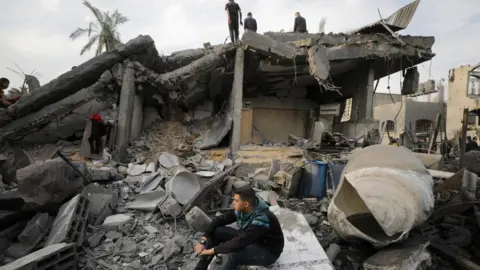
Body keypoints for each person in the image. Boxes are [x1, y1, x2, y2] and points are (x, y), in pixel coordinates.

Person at [193, 186, 284, 270]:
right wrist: (203, 240)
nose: (233, 203)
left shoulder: (261, 219)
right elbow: (220, 220)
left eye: (236, 201)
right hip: (252, 239)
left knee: (234, 256)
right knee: (218, 231)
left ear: (246, 203)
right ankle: (201, 267)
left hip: (267, 251)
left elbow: (240, 242)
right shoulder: (245, 209)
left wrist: (211, 251)